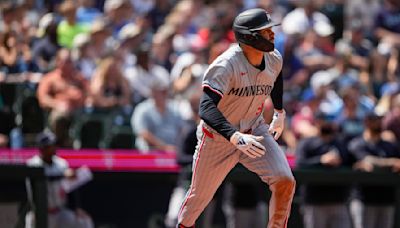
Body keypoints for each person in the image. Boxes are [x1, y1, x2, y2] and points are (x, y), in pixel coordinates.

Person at [177, 8, 296, 227]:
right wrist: (233, 136)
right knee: (198, 199)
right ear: (249, 36)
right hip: (218, 138)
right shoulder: (226, 64)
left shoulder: (273, 58)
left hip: (255, 129)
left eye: (271, 29)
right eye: (265, 30)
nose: (272, 34)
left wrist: (279, 112)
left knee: (285, 180)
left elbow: (276, 78)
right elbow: (206, 108)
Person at [296, 111, 353, 228]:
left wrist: (338, 161)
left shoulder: (340, 143)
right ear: (316, 123)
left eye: (329, 121)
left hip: (339, 199)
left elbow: (350, 162)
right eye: (322, 121)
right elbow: (300, 163)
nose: (326, 124)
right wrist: (321, 160)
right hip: (314, 200)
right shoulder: (307, 142)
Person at [25, 131, 94, 228]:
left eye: (53, 145)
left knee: (84, 221)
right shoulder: (33, 164)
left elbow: (71, 189)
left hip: (59, 212)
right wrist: (62, 175)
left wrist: (77, 208)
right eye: (49, 146)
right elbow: (43, 179)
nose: (53, 148)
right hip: (39, 213)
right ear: (41, 148)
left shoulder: (61, 163)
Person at [348, 113, 400, 228]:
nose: (379, 123)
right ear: (366, 122)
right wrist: (391, 162)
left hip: (386, 199)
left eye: (379, 120)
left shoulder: (390, 145)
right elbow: (368, 160)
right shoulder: (357, 143)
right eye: (375, 120)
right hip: (364, 199)